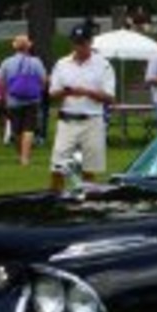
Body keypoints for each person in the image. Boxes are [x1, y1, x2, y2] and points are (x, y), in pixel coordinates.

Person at [48, 23, 116, 192]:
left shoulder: (103, 65)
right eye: (76, 43)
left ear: (90, 42)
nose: (79, 47)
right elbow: (52, 93)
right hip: (67, 120)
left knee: (89, 168)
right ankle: (55, 201)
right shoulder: (62, 63)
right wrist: (66, 92)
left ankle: (88, 204)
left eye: (83, 43)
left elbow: (110, 97)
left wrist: (86, 92)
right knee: (58, 166)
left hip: (92, 120)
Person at [0, 34, 47, 166]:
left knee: (16, 130)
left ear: (15, 47)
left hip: (13, 100)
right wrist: (38, 90)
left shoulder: (7, 62)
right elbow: (44, 80)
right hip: (32, 99)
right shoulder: (36, 61)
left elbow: (0, 81)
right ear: (28, 47)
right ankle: (25, 158)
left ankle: (21, 155)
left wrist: (5, 93)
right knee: (29, 129)